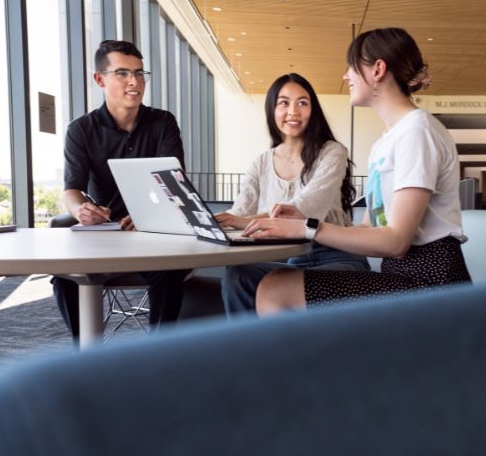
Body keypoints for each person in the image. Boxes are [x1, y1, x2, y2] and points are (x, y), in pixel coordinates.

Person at [243, 27, 471, 315]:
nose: (345, 76)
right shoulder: (385, 142)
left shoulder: (417, 132)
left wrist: (307, 227)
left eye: (351, 66)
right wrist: (301, 222)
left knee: (277, 289)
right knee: (272, 282)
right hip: (400, 276)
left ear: (378, 69)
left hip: (428, 283)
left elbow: (397, 241)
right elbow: (368, 228)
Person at [51, 40, 189, 341]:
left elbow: (174, 184)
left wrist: (151, 215)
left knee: (170, 271)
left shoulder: (163, 123)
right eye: (123, 73)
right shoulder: (81, 130)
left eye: (140, 73)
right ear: (100, 79)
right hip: (105, 236)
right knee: (64, 280)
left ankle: (159, 354)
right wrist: (80, 210)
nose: (135, 82)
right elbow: (72, 189)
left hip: (155, 235)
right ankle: (86, 356)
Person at [218, 73, 369, 315]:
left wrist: (244, 221)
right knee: (238, 275)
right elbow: (239, 212)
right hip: (292, 258)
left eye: (302, 103)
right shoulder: (261, 162)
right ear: (272, 110)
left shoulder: (332, 152)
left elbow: (305, 209)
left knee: (279, 284)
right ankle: (249, 350)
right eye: (283, 103)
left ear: (313, 110)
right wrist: (211, 220)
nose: (293, 112)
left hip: (337, 255)